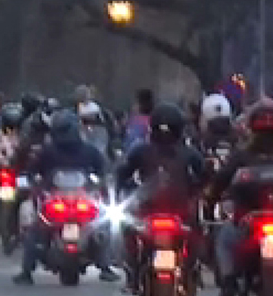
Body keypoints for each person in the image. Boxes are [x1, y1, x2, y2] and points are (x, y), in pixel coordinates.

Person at [202, 98, 273, 296]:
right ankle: (232, 282)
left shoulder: (243, 153)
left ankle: (229, 282)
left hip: (266, 220)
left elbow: (220, 181)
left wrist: (210, 197)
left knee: (224, 239)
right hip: (264, 221)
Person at [13, 109, 117, 285]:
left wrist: (104, 182)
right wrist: (31, 182)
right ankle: (26, 270)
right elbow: (31, 171)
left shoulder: (87, 151)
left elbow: (104, 170)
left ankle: (105, 266)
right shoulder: (47, 151)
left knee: (103, 224)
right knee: (34, 225)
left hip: (82, 197)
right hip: (54, 198)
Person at [114, 103, 206, 279]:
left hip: (157, 210)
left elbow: (122, 172)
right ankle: (190, 270)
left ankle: (134, 270)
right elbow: (204, 175)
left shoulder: (141, 149)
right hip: (169, 211)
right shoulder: (189, 152)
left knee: (197, 228)